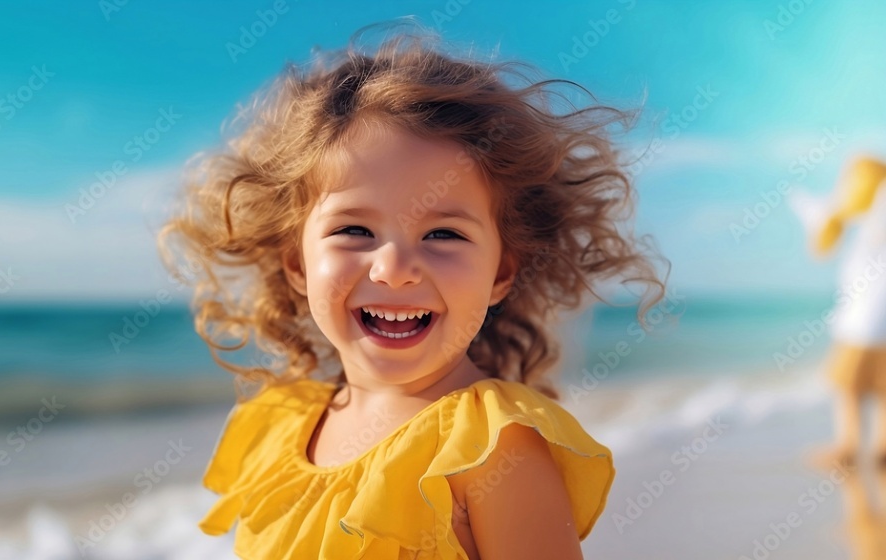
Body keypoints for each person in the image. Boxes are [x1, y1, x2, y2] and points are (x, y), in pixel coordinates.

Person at [159, 21, 666, 559]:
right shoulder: (277, 426)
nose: (394, 268)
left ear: (499, 274)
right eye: (354, 230)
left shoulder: (492, 448)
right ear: (298, 266)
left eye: (443, 234)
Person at [790, 156, 886, 469]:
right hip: (874, 322)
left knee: (848, 387)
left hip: (861, 324)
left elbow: (822, 245)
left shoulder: (873, 216)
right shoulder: (870, 219)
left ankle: (848, 446)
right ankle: (882, 447)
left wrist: (824, 213)